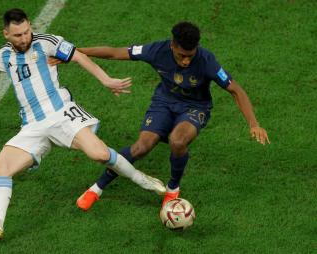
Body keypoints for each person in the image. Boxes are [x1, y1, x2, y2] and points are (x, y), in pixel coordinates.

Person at [0, 8, 165, 241]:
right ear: (6, 34)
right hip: (32, 125)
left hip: (61, 114)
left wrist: (106, 80)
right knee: (0, 169)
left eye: (26, 32)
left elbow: (79, 56)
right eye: (17, 35)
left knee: (100, 154)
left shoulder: (47, 42)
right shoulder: (4, 55)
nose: (24, 38)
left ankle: (142, 180)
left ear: (30, 26)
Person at [66, 21, 270, 211]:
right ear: (172, 45)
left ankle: (172, 190)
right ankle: (97, 188)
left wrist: (254, 124)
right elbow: (115, 52)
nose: (186, 60)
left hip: (195, 107)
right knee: (141, 147)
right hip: (163, 102)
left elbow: (236, 90)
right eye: (182, 55)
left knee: (177, 141)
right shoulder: (157, 50)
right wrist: (76, 53)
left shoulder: (207, 61)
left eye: (190, 55)